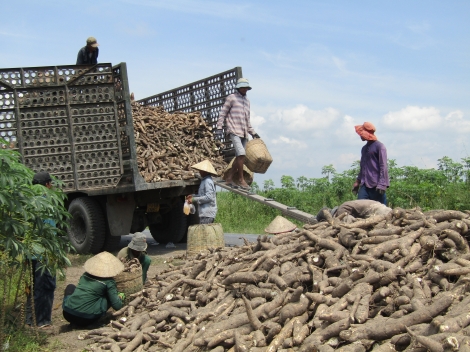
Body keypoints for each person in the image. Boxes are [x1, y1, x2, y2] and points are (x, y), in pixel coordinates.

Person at [215, 78, 260, 190]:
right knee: (241, 154)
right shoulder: (232, 98)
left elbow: (247, 120)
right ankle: (241, 180)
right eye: (243, 87)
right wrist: (219, 127)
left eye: (246, 87)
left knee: (240, 157)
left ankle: (229, 178)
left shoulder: (247, 101)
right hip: (234, 130)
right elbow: (223, 113)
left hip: (244, 132)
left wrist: (253, 133)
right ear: (239, 87)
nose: (244, 89)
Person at [25, 171, 56, 329]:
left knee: (31, 287)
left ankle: (30, 320)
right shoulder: (46, 202)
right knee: (45, 287)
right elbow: (49, 231)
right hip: (44, 253)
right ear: (47, 185)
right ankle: (42, 321)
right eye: (51, 184)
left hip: (29, 252)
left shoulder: (27, 201)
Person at [62, 251, 125, 327]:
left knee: (71, 287)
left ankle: (74, 319)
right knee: (108, 296)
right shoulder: (109, 282)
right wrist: (120, 297)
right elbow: (117, 306)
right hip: (87, 319)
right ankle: (91, 323)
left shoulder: (85, 275)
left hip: (67, 314)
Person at [352, 122, 389, 205]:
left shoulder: (380, 146)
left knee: (382, 211)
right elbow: (363, 167)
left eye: (361, 133)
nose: (360, 136)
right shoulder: (364, 149)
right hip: (364, 184)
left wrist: (382, 184)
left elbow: (383, 166)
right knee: (359, 207)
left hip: (376, 184)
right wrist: (357, 182)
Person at [185, 160, 218, 224]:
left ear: (205, 171)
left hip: (207, 214)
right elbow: (202, 195)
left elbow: (209, 197)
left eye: (201, 170)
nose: (199, 172)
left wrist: (194, 199)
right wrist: (193, 196)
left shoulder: (207, 181)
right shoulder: (204, 181)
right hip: (204, 213)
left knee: (205, 233)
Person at [316, 200, 392, 223]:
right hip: (379, 208)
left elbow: (349, 221)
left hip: (376, 211)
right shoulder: (345, 206)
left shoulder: (341, 210)